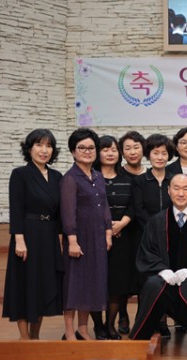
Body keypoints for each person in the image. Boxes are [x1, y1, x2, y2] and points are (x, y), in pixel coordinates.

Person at [130, 174, 187, 360]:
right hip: (165, 278)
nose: (181, 193)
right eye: (176, 188)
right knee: (153, 284)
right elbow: (147, 252)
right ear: (169, 190)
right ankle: (140, 342)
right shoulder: (156, 221)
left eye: (186, 188)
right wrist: (162, 270)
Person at [2, 129, 63, 340]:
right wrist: (19, 239)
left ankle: (35, 336)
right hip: (27, 235)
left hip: (49, 236)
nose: (44, 150)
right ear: (29, 149)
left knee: (42, 285)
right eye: (39, 145)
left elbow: (60, 211)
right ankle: (24, 338)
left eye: (48, 146)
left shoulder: (56, 177)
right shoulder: (20, 174)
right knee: (24, 284)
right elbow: (16, 208)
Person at [61, 128, 112, 341]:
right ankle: (69, 331)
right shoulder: (70, 178)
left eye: (91, 147)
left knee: (91, 283)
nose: (87, 151)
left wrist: (108, 232)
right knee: (74, 285)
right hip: (79, 238)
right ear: (73, 151)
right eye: (81, 147)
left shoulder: (98, 176)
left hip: (97, 238)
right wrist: (72, 241)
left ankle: (83, 329)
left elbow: (104, 205)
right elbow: (67, 211)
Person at [93, 135, 135, 340]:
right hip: (95, 237)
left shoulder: (127, 178)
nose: (110, 153)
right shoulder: (91, 178)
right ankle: (98, 326)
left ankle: (110, 325)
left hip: (122, 238)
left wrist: (121, 223)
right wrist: (106, 228)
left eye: (113, 149)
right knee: (95, 282)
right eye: (105, 149)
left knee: (117, 285)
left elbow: (133, 205)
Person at [133, 134, 176, 337]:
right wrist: (155, 229)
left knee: (167, 280)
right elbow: (139, 209)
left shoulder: (174, 179)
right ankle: (147, 322)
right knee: (147, 282)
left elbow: (179, 205)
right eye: (155, 153)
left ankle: (163, 321)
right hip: (146, 239)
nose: (160, 157)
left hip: (172, 237)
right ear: (148, 155)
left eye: (164, 153)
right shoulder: (140, 181)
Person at [117, 130, 146, 335]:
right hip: (122, 232)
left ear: (143, 150)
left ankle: (142, 318)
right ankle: (122, 315)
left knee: (144, 276)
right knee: (122, 275)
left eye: (136, 147)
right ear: (122, 152)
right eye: (128, 148)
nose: (133, 152)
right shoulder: (117, 174)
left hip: (144, 232)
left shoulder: (150, 174)